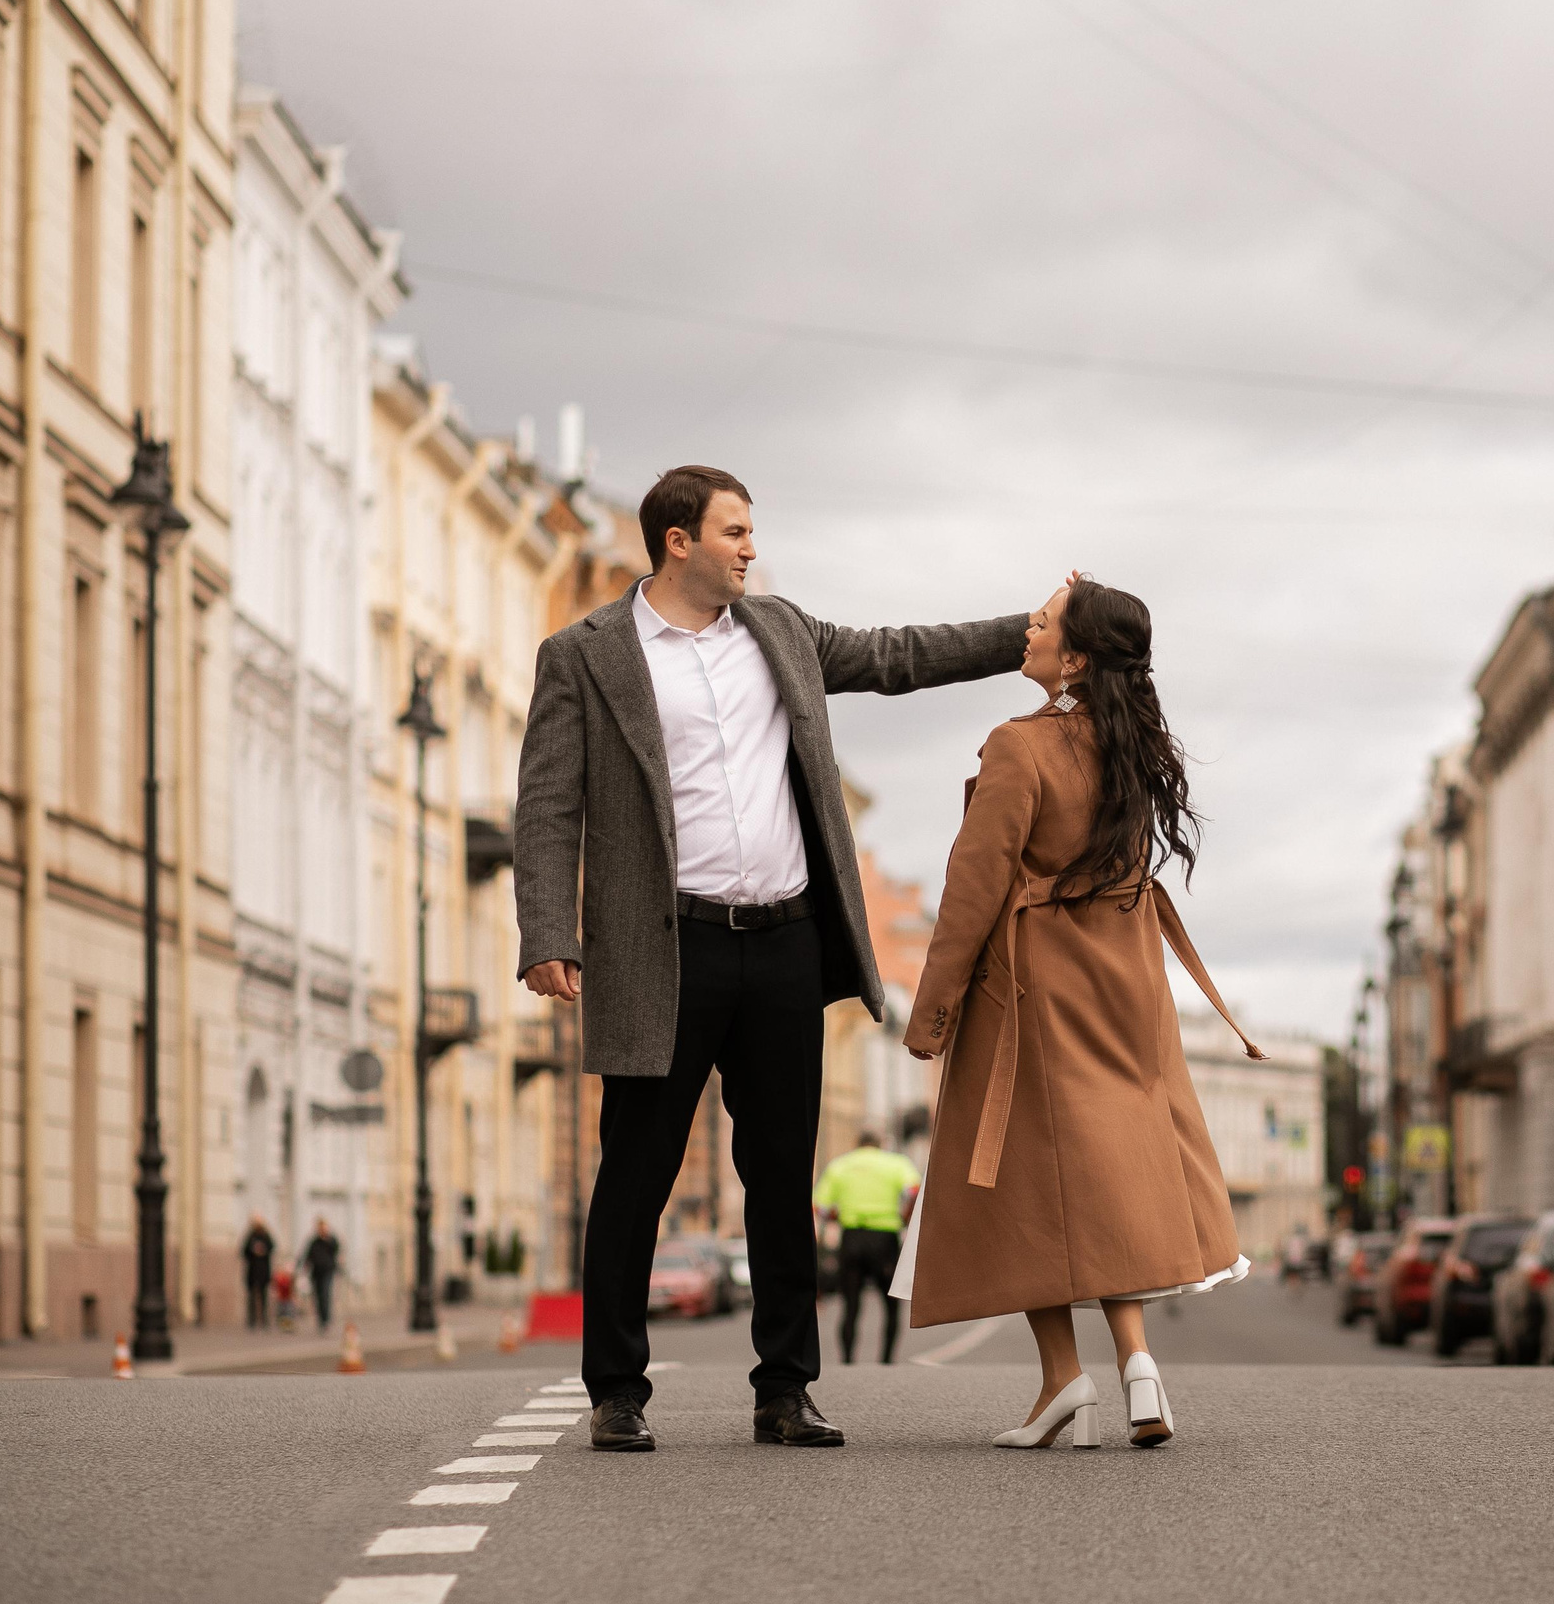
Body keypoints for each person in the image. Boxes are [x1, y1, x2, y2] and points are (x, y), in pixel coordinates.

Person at [512, 464, 1031, 1454]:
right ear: (678, 541)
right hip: (663, 950)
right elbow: (546, 804)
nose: (752, 548)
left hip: (786, 942)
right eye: (736, 532)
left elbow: (899, 655)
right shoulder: (585, 656)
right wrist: (547, 932)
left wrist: (1025, 633)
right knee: (636, 1175)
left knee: (782, 1176)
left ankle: (784, 1389)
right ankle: (617, 1389)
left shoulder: (780, 632)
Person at [893, 578, 1262, 1451]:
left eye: (1044, 622)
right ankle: (1132, 1363)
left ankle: (1067, 1378)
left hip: (1034, 988)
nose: (1028, 630)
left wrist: (933, 1010)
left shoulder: (1020, 748)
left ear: (1076, 656)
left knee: (1025, 1184)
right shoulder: (1132, 744)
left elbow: (974, 887)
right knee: (1107, 1171)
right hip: (1128, 980)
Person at [813, 1131, 921, 1365]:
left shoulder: (839, 1165)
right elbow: (914, 1190)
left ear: (858, 1145)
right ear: (880, 1145)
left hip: (852, 1238)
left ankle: (848, 1359)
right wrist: (905, 1215)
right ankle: (886, 1360)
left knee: (850, 1304)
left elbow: (819, 1205)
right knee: (891, 1304)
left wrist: (837, 1216)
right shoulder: (896, 1163)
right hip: (885, 1239)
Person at [302, 1219, 342, 1333]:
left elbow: (337, 1251)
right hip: (316, 1272)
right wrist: (304, 1266)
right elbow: (308, 1255)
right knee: (318, 1296)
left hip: (327, 1271)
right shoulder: (314, 1241)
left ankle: (326, 1320)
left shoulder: (331, 1240)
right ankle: (321, 1320)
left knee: (325, 1294)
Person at [241, 1216, 275, 1331]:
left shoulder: (266, 1236)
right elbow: (244, 1251)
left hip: (264, 1270)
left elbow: (272, 1247)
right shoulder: (250, 1236)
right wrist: (253, 1251)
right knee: (251, 1296)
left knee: (263, 1296)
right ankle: (252, 1319)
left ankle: (264, 1319)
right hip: (252, 1270)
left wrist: (263, 1250)